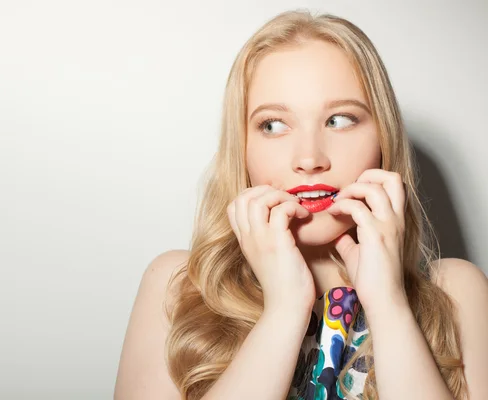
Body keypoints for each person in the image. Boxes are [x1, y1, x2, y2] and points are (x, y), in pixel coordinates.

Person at [114, 9, 488, 400]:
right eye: (273, 125)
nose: (309, 159)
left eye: (339, 119)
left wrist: (389, 304)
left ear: (384, 139)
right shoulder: (177, 288)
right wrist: (285, 309)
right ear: (241, 149)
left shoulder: (456, 293)